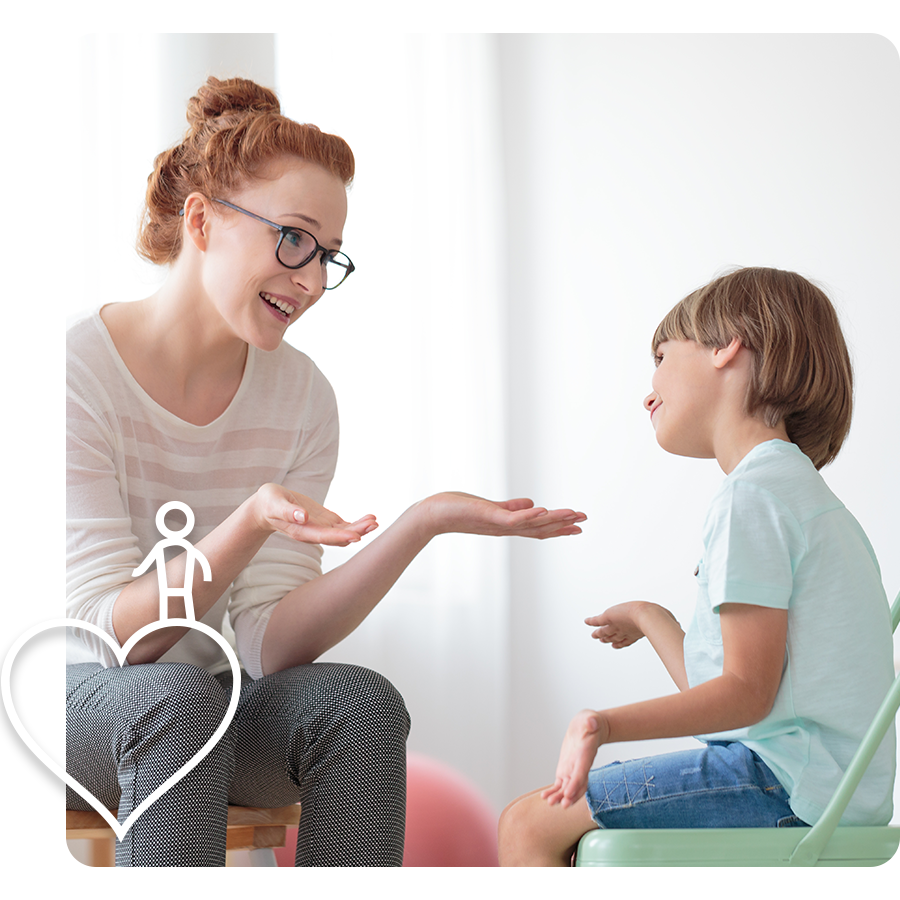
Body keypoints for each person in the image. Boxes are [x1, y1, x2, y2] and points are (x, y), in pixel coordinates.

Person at [65, 75, 586, 868]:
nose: (309, 281)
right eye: (294, 239)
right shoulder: (74, 371)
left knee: (359, 706)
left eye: (328, 257)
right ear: (201, 221)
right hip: (69, 709)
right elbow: (110, 642)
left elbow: (269, 644)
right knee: (174, 700)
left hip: (206, 715)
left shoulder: (302, 396)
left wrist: (422, 523)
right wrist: (246, 525)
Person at [498, 266, 896, 867]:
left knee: (527, 826)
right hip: (823, 787)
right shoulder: (799, 494)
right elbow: (734, 695)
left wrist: (601, 723)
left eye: (660, 355)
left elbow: (745, 696)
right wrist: (649, 615)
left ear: (726, 345)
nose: (648, 388)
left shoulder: (752, 497)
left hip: (782, 784)